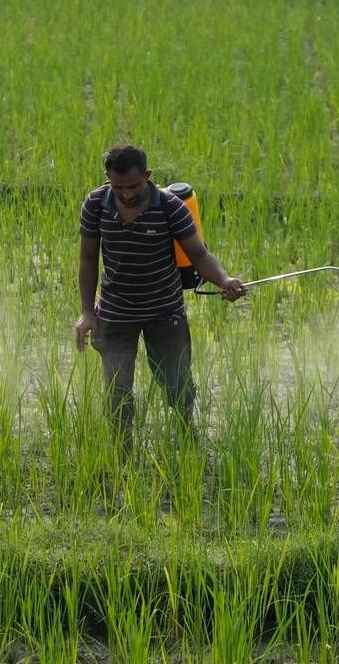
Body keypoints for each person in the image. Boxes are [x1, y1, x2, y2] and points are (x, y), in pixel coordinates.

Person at [73, 144, 244, 447]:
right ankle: (121, 452)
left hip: (164, 312)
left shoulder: (169, 207)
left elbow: (199, 255)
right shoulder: (96, 204)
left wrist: (224, 279)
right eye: (118, 186)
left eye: (134, 186)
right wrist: (87, 312)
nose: (126, 193)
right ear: (108, 179)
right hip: (115, 313)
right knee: (117, 390)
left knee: (177, 384)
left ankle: (187, 439)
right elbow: (87, 260)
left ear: (148, 176)